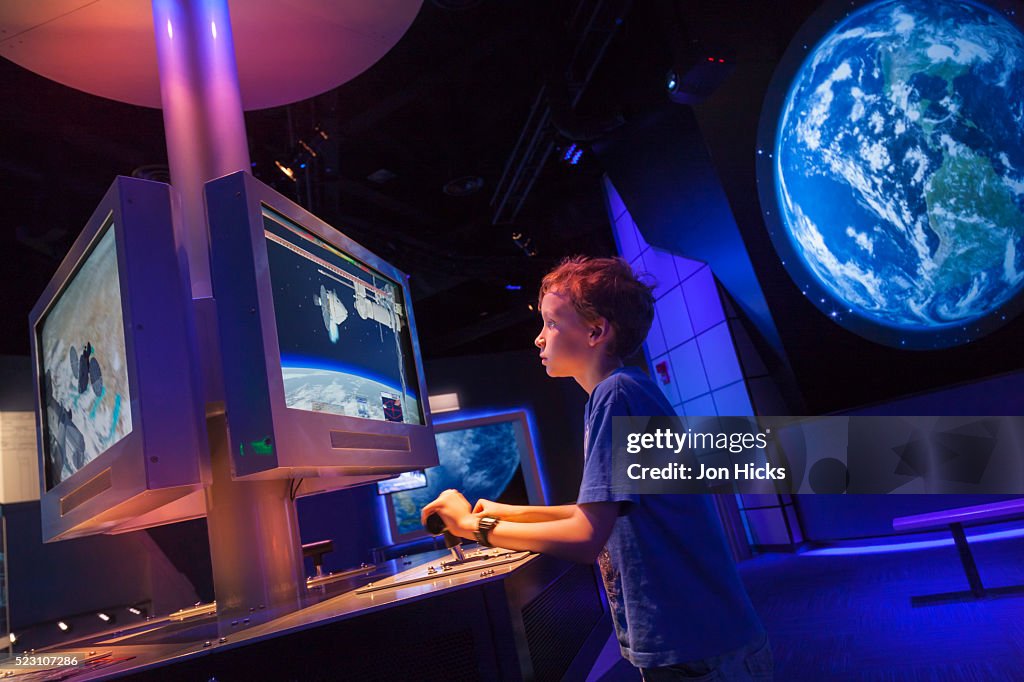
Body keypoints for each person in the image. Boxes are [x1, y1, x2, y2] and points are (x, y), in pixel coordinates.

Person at [421, 256, 772, 681]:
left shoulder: (615, 395)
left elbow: (587, 536)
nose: (538, 339)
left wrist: (469, 527)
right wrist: (502, 511)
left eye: (551, 323)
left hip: (698, 648)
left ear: (595, 331)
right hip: (705, 641)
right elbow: (601, 512)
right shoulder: (624, 391)